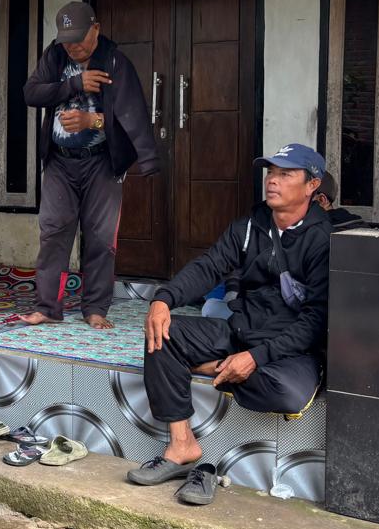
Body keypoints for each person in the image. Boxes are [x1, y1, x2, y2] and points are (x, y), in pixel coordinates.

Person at [128, 144, 330, 505]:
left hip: (288, 347)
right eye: (271, 172)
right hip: (241, 330)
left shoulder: (323, 238)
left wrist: (256, 357)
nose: (273, 181)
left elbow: (316, 319)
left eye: (286, 174)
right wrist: (163, 299)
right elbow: (209, 266)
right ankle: (181, 444)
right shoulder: (250, 226)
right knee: (162, 333)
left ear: (312, 185)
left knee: (288, 393)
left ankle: (214, 368)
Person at [20, 1, 158, 329]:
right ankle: (48, 307)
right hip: (59, 162)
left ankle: (95, 307)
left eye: (79, 39)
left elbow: (132, 118)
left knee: (100, 237)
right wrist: (74, 85)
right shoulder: (54, 56)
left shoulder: (114, 62)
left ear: (95, 28)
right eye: (67, 40)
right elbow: (31, 93)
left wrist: (90, 121)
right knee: (53, 232)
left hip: (101, 164)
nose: (73, 46)